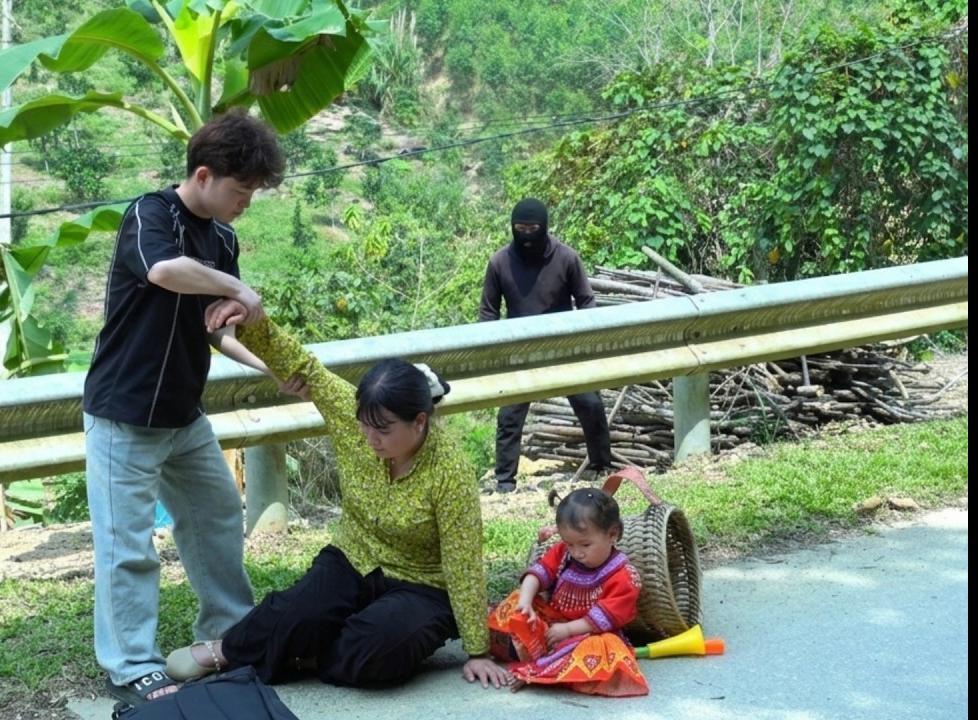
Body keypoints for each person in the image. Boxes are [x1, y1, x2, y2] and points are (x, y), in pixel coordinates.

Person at [81, 110, 307, 708]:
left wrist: (271, 368)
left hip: (184, 415)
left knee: (217, 518)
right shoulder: (149, 215)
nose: (246, 203)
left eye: (253, 193)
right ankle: (131, 664)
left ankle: (229, 635)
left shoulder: (223, 240)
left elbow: (217, 330)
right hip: (124, 414)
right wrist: (238, 289)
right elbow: (164, 270)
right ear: (203, 175)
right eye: (240, 191)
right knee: (128, 545)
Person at [163, 307, 513, 691]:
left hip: (422, 584)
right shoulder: (350, 414)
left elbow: (463, 563)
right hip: (354, 556)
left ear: (419, 421)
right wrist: (251, 319)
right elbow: (303, 366)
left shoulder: (451, 471)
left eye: (383, 431)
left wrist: (478, 651)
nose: (371, 439)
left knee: (378, 647)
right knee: (297, 612)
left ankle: (309, 655)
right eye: (365, 426)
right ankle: (227, 650)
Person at [479, 197, 613, 493]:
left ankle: (601, 466)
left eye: (533, 229)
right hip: (519, 352)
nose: (527, 235)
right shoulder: (499, 262)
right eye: (520, 229)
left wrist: (585, 343)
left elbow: (586, 301)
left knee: (591, 405)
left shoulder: (566, 258)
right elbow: (488, 313)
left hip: (563, 349)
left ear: (544, 227)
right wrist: (491, 356)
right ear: (512, 227)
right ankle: (505, 481)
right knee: (509, 417)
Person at [487, 486, 649, 696]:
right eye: (570, 544)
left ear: (612, 534)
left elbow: (603, 619)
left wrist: (568, 630)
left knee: (604, 648)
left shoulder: (624, 576)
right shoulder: (564, 554)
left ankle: (540, 668)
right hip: (550, 627)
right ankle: (529, 650)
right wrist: (525, 603)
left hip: (586, 635)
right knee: (516, 600)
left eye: (585, 545)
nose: (577, 553)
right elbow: (536, 575)